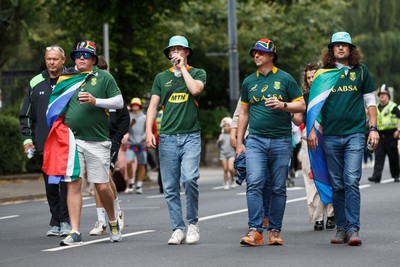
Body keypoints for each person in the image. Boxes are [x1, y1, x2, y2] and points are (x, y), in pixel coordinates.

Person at [43, 40, 124, 246]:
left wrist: (96, 101)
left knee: (102, 186)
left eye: (86, 55)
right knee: (73, 183)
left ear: (94, 60)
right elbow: (56, 106)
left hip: (98, 140)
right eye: (78, 55)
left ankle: (113, 219)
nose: (81, 58)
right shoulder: (68, 78)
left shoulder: (104, 77)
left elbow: (119, 102)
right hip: (72, 139)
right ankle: (75, 231)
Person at [308, 32, 379, 246]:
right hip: (329, 136)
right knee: (337, 184)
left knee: (351, 180)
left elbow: (371, 102)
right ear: (331, 50)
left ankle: (353, 229)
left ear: (351, 49)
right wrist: (311, 130)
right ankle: (341, 228)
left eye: (344, 45)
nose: (340, 49)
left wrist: (373, 128)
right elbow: (315, 106)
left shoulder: (360, 72)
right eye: (337, 45)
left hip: (355, 134)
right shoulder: (323, 74)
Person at [236, 38, 305, 246]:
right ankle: (255, 230)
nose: (256, 55)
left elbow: (301, 106)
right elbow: (244, 113)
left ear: (271, 55)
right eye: (254, 53)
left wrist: (282, 104)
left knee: (277, 188)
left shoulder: (285, 79)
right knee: (254, 183)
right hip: (255, 141)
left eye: (260, 52)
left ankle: (275, 230)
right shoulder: (249, 81)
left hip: (281, 141)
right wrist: (240, 142)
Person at [146, 35, 206, 245]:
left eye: (179, 49)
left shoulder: (197, 73)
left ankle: (192, 224)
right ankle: (177, 228)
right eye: (172, 50)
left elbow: (195, 90)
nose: (175, 53)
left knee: (189, 179)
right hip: (168, 137)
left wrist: (182, 70)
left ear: (187, 52)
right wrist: (149, 132)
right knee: (170, 186)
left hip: (191, 135)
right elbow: (153, 107)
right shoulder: (161, 78)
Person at [19, 45, 71, 237]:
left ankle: (65, 220)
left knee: (66, 183)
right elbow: (25, 114)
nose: (51, 62)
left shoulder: (72, 80)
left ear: (63, 60)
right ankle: (55, 220)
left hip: (66, 143)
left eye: (55, 59)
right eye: (48, 58)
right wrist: (27, 139)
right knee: (51, 183)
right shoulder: (36, 82)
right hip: (44, 144)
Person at [89, 55, 129, 235]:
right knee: (99, 180)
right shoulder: (87, 93)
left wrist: (117, 138)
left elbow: (124, 119)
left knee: (103, 178)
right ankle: (101, 220)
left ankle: (116, 212)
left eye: (102, 71)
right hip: (93, 138)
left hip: (111, 140)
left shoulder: (113, 92)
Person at [293, 62, 335, 231]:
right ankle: (317, 218)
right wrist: (287, 111)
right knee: (311, 178)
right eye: (308, 77)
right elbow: (298, 119)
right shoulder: (303, 96)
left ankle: (332, 214)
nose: (311, 80)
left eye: (314, 76)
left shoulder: (330, 93)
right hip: (308, 139)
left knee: (330, 175)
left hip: (328, 137)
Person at [368, 84, 400, 183]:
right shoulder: (376, 108)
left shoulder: (393, 107)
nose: (382, 96)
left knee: (393, 157)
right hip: (380, 135)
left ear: (388, 96)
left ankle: (396, 175)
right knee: (378, 156)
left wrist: (398, 130)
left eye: (384, 94)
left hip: (391, 135)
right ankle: (376, 176)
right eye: (380, 94)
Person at [126, 97, 147, 194]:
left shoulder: (144, 117)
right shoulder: (128, 117)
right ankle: (131, 181)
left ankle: (139, 185)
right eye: (133, 105)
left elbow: (147, 129)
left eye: (136, 105)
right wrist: (130, 124)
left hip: (142, 144)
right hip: (131, 143)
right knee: (129, 162)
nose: (135, 106)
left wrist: (144, 138)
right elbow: (125, 130)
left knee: (141, 164)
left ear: (139, 106)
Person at [217, 117, 236, 190]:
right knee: (225, 169)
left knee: (231, 168)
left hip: (231, 153)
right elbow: (218, 146)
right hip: (223, 154)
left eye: (228, 126)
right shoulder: (221, 135)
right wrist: (219, 141)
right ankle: (226, 183)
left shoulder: (233, 135)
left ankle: (232, 179)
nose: (227, 127)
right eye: (225, 126)